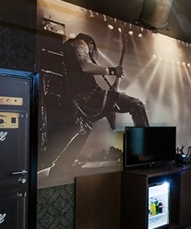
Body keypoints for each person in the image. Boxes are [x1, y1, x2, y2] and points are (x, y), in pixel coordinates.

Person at [47, 33, 149, 175]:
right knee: (137, 105)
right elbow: (85, 66)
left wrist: (114, 88)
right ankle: (144, 153)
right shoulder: (79, 43)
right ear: (89, 43)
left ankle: (60, 165)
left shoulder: (69, 54)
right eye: (92, 48)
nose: (92, 51)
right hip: (90, 96)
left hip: (80, 100)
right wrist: (112, 70)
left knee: (85, 129)